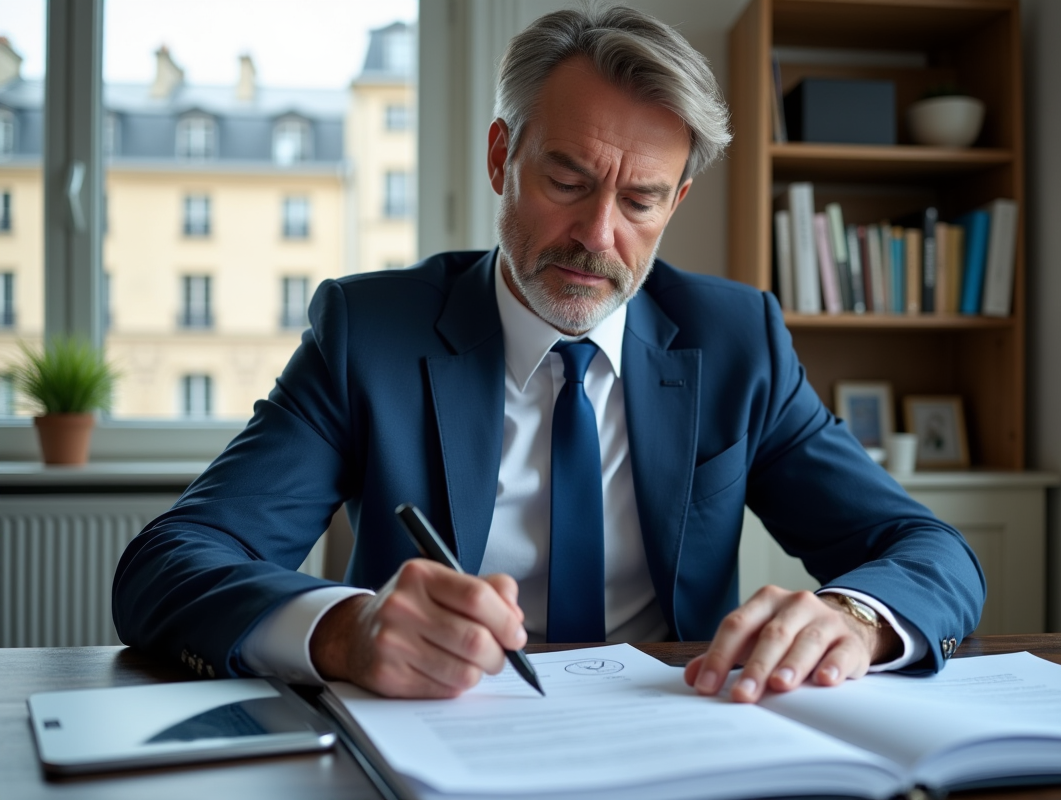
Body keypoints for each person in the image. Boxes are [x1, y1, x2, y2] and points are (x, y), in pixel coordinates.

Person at [113, 5, 984, 705]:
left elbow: (927, 549)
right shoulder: (368, 332)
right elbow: (171, 562)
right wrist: (345, 630)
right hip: (438, 737)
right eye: (566, 182)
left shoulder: (734, 340)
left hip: (682, 740)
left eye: (640, 199)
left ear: (676, 202)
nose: (597, 236)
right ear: (503, 158)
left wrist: (853, 615)